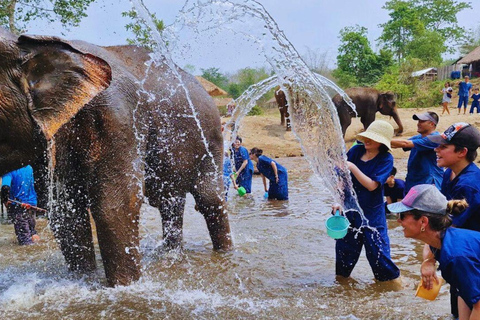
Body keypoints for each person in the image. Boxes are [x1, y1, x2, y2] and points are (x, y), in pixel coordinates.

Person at [388, 184, 480, 319]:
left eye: (403, 216)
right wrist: (428, 261)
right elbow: (465, 292)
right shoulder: (441, 241)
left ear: (423, 221)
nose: (398, 221)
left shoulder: (456, 256)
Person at [423, 122, 480, 318]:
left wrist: (429, 260)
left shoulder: (470, 185)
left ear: (462, 152)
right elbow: (441, 215)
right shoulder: (451, 173)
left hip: (470, 257)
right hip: (463, 251)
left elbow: (446, 226)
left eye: (443, 147)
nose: (436, 150)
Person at [335, 120, 400, 282]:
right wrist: (337, 199)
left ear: (382, 143)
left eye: (373, 138)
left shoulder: (386, 159)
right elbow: (343, 178)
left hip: (372, 215)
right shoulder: (356, 150)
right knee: (344, 256)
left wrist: (353, 167)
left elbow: (372, 186)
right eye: (367, 137)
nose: (367, 141)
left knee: (379, 256)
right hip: (350, 211)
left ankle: (395, 284)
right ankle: (342, 286)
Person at [391, 112, 443, 193]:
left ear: (432, 124)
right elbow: (399, 144)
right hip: (413, 182)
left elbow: (405, 143)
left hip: (429, 183)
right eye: (418, 121)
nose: (418, 124)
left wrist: (380, 139)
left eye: (422, 121)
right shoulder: (419, 137)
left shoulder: (436, 138)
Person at [1, 165, 40, 245]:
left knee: (24, 240)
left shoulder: (9, 171)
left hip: (19, 206)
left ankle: (31, 255)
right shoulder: (29, 167)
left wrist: (5, 200)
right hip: (32, 204)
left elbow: (5, 188)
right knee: (32, 231)